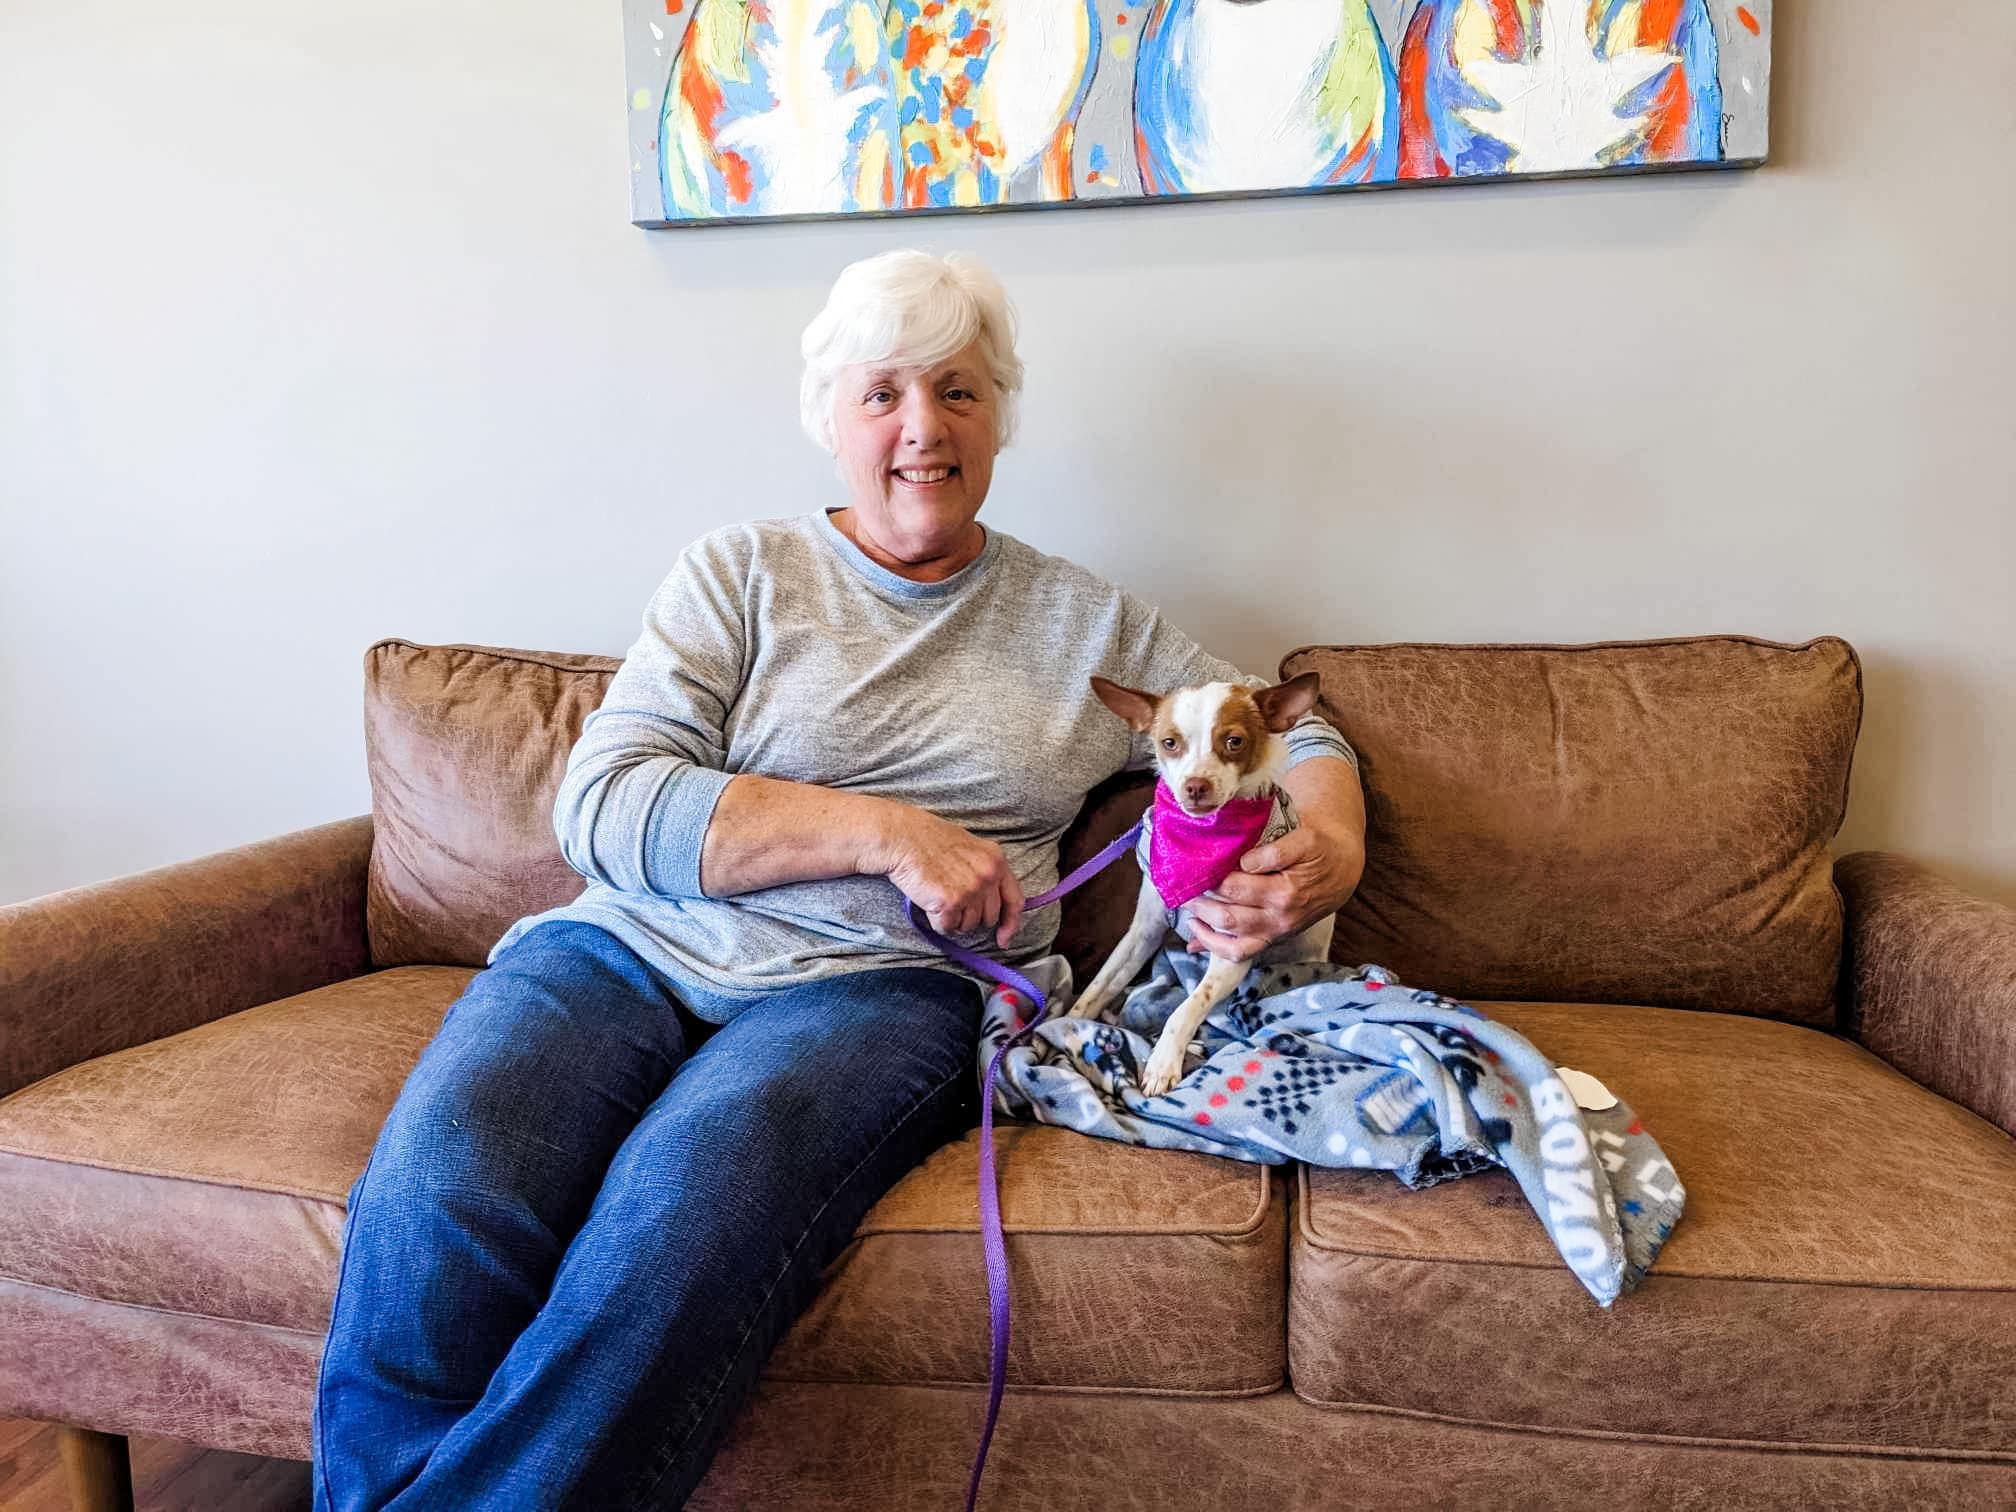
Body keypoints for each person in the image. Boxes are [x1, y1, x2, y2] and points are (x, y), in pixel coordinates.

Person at [311, 249, 1368, 1510]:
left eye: (960, 393)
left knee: (679, 1213)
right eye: (883, 395)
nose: (923, 429)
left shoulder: (1085, 625)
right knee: (441, 1182)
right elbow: (601, 804)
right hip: (626, 950)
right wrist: (883, 834)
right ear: (830, 419)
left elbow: (1303, 733)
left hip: (885, 990)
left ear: (1001, 419)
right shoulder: (739, 575)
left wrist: (1330, 849)